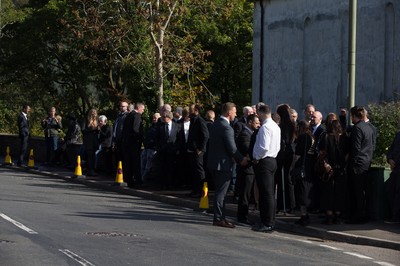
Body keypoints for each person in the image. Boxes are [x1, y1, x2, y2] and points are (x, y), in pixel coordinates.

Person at [207, 102, 247, 228]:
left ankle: (221, 217)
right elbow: (232, 148)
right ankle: (219, 218)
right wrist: (242, 159)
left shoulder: (216, 124)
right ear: (229, 113)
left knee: (220, 192)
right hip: (223, 165)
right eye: (235, 112)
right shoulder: (226, 127)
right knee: (221, 193)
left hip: (214, 163)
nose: (236, 114)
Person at [252, 104, 281, 233]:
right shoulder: (275, 126)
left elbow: (263, 147)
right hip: (272, 160)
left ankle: (268, 222)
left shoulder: (265, 127)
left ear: (262, 113)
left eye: (258, 114)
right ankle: (266, 220)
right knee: (267, 193)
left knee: (266, 194)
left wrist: (256, 157)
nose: (258, 116)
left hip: (264, 160)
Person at [347, 106, 374, 224]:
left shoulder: (357, 128)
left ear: (353, 116)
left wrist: (352, 161)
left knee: (356, 192)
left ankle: (358, 216)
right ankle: (363, 214)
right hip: (366, 162)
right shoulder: (369, 128)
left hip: (357, 164)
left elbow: (356, 148)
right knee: (363, 191)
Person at [318, 119, 349, 224]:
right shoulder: (344, 138)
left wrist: (326, 164)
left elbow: (322, 153)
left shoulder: (326, 137)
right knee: (340, 192)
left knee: (328, 192)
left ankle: (329, 215)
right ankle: (338, 215)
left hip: (329, 168)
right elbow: (347, 154)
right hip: (340, 168)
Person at [236, 114, 260, 224]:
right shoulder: (245, 134)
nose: (258, 125)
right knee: (245, 194)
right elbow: (247, 149)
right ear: (249, 122)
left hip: (251, 168)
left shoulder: (252, 134)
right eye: (256, 123)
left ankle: (244, 215)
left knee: (248, 194)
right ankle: (242, 216)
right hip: (246, 169)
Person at [275, 104, 296, 214]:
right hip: (290, 153)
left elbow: (284, 140)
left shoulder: (283, 125)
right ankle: (290, 205)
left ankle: (283, 204)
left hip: (284, 153)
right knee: (288, 179)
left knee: (283, 179)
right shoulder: (292, 124)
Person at [293, 120, 314, 226]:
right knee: (306, 191)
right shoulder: (312, 137)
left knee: (301, 192)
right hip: (310, 167)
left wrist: (293, 165)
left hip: (302, 167)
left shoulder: (302, 138)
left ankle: (304, 215)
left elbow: (297, 155)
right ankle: (305, 215)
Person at [186, 104, 209, 197]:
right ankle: (195, 189)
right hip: (192, 149)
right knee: (193, 170)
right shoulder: (193, 121)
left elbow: (206, 135)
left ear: (196, 111)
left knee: (199, 171)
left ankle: (202, 192)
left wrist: (201, 148)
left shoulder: (200, 121)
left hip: (197, 151)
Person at [155, 110, 182, 188]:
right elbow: (157, 138)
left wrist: (176, 148)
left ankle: (171, 184)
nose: (162, 118)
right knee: (163, 168)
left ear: (169, 117)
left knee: (171, 167)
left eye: (164, 117)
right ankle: (163, 184)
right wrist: (158, 148)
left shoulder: (177, 126)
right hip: (162, 151)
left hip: (172, 151)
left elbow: (179, 139)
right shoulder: (160, 126)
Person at [122, 102, 145, 187]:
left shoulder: (128, 115)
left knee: (128, 163)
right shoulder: (137, 116)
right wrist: (140, 139)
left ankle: (129, 180)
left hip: (127, 143)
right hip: (134, 144)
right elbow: (136, 129)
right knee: (135, 163)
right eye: (142, 109)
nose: (143, 111)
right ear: (138, 108)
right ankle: (138, 182)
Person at [141, 112, 161, 184]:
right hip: (146, 148)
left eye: (156, 117)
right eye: (153, 117)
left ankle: (143, 179)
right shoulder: (151, 127)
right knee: (143, 164)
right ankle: (141, 178)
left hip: (152, 149)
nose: (154, 119)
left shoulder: (159, 127)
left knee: (148, 166)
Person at [385, 130, 400, 224]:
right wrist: (390, 159)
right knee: (390, 191)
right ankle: (394, 216)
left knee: (398, 192)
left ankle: (396, 217)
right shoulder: (398, 135)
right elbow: (391, 149)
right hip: (395, 169)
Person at [82, 109, 99, 176]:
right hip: (88, 140)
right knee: (89, 155)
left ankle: (92, 169)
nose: (93, 115)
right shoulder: (86, 120)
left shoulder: (96, 121)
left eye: (94, 113)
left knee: (93, 156)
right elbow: (83, 130)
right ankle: (90, 170)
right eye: (92, 113)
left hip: (94, 140)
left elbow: (97, 132)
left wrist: (97, 129)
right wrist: (92, 129)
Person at [112, 100, 129, 168]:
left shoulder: (127, 116)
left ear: (127, 107)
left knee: (123, 158)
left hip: (123, 140)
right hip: (117, 140)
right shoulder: (118, 116)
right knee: (118, 157)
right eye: (120, 106)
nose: (121, 107)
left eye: (123, 106)